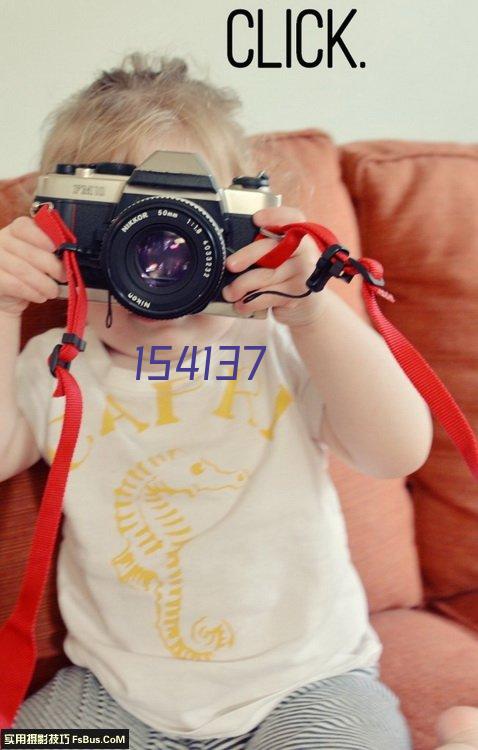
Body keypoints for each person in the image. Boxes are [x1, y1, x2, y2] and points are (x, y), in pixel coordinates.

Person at [0, 53, 435, 749]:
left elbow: (398, 450)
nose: (158, 257)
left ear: (243, 227)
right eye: (123, 226)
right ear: (66, 231)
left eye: (186, 227)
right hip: (114, 687)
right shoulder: (58, 365)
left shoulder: (283, 347)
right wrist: (3, 302)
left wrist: (313, 311)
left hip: (305, 680)